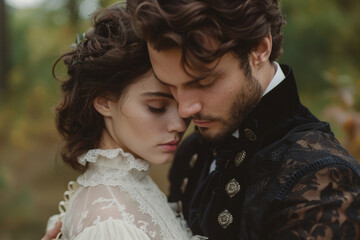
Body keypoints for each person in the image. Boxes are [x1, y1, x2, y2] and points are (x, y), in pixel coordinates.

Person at [126, 0, 360, 239]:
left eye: (203, 82)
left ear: (260, 49)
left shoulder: (323, 174)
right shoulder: (191, 151)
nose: (185, 109)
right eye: (171, 85)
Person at [43, 4, 207, 240]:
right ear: (104, 102)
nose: (181, 125)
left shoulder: (134, 185)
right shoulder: (109, 222)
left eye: (181, 103)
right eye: (157, 107)